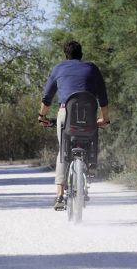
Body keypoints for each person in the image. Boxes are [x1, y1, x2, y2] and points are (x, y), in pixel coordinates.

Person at [38, 40, 109, 210]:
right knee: (91, 137)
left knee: (63, 149)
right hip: (89, 115)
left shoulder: (58, 68)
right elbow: (103, 97)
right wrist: (104, 118)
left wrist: (42, 116)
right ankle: (91, 165)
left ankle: (60, 196)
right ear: (81, 54)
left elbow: (47, 97)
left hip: (66, 113)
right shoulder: (92, 68)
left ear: (66, 54)